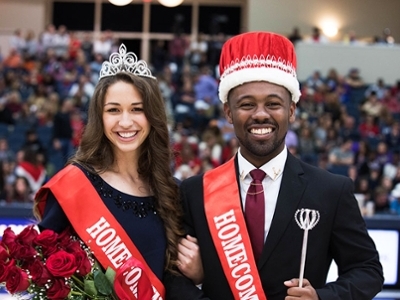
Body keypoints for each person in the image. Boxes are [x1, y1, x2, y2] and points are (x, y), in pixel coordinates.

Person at [173, 31, 383, 299]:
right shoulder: (195, 192)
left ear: (292, 110)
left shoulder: (331, 190)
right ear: (228, 112)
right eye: (247, 104)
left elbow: (367, 270)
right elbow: (174, 277)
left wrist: (321, 297)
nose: (260, 114)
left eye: (273, 104)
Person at [33, 44, 204, 299]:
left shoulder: (172, 191)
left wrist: (200, 274)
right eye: (113, 110)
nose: (126, 122)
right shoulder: (73, 186)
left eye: (137, 109)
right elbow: (45, 277)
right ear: (99, 117)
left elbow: (177, 283)